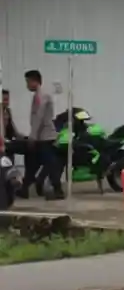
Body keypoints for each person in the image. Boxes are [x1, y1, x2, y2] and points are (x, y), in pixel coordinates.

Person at [19, 70, 63, 200]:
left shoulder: (42, 96)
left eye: (27, 82)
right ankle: (24, 189)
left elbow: (39, 117)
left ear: (34, 81)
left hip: (45, 137)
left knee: (50, 164)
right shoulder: (38, 95)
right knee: (33, 163)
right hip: (40, 136)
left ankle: (58, 190)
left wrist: (32, 136)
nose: (27, 85)